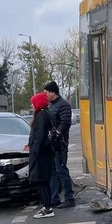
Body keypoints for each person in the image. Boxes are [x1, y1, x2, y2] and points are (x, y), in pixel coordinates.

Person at [43, 80, 75, 208]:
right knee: (52, 172)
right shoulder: (50, 105)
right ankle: (54, 198)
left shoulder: (63, 105)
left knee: (61, 170)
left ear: (52, 92)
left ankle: (69, 198)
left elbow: (65, 123)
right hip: (51, 144)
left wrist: (57, 133)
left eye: (46, 93)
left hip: (59, 144)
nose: (45, 95)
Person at [27, 92, 56, 219]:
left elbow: (39, 135)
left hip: (41, 154)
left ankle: (47, 208)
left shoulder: (40, 115)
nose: (32, 106)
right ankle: (47, 206)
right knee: (44, 180)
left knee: (41, 181)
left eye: (33, 103)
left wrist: (34, 150)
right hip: (47, 152)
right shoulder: (47, 113)